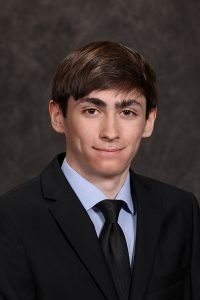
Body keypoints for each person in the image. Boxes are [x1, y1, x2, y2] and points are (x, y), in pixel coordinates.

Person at [0, 41, 199, 300]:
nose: (110, 133)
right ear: (58, 116)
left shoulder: (181, 210)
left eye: (127, 112)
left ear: (148, 121)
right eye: (92, 110)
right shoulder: (11, 219)